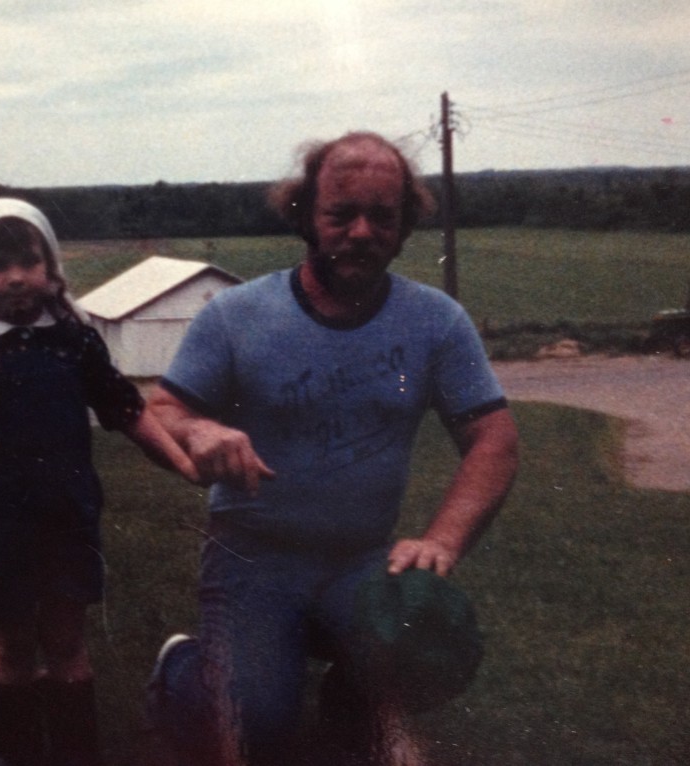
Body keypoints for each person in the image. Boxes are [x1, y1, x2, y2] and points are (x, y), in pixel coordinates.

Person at [145, 131, 519, 765]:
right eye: (341, 214)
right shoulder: (237, 314)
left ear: (404, 228)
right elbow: (160, 411)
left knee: (431, 647)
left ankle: (356, 702)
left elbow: (495, 440)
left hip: (360, 559)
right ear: (305, 218)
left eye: (383, 216)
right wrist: (199, 431)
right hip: (254, 557)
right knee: (257, 725)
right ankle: (182, 665)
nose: (362, 231)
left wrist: (442, 542)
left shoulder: (435, 320)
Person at [0, 198, 197, 766]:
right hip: (2, 533)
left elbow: (128, 410)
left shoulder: (74, 342)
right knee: (15, 648)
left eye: (29, 261)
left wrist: (186, 465)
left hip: (69, 523)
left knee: (70, 645)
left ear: (50, 267)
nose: (17, 277)